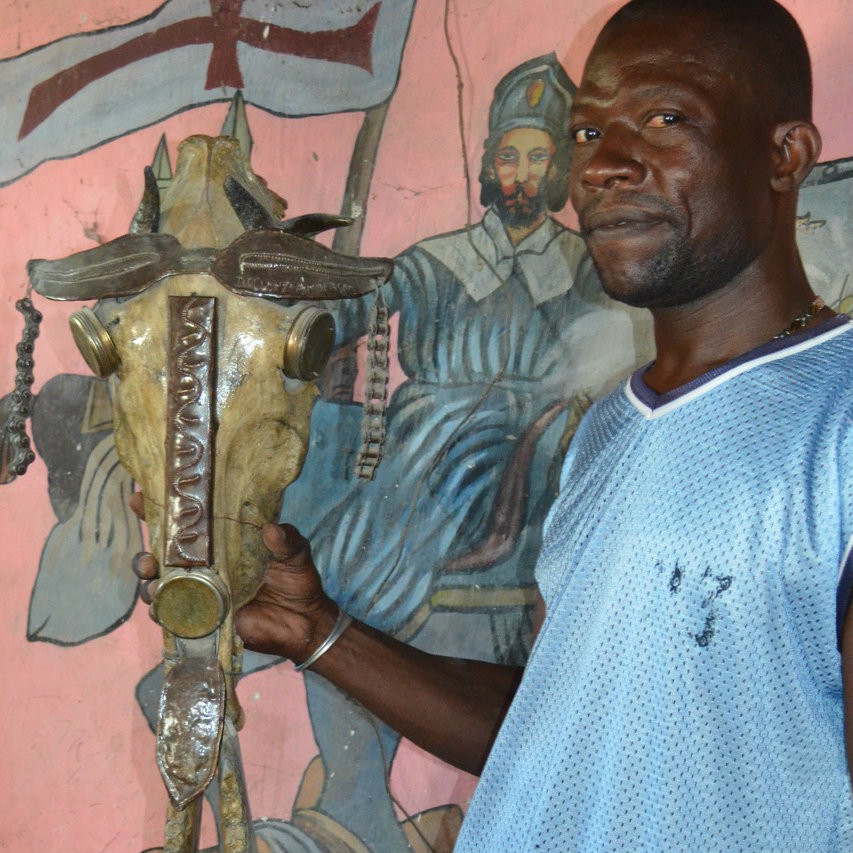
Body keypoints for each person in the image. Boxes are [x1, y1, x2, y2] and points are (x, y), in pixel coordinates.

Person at [136, 0, 853, 849]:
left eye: (664, 118)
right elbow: (550, 732)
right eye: (586, 134)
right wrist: (313, 628)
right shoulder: (607, 434)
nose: (603, 166)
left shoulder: (834, 419)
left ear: (785, 155)